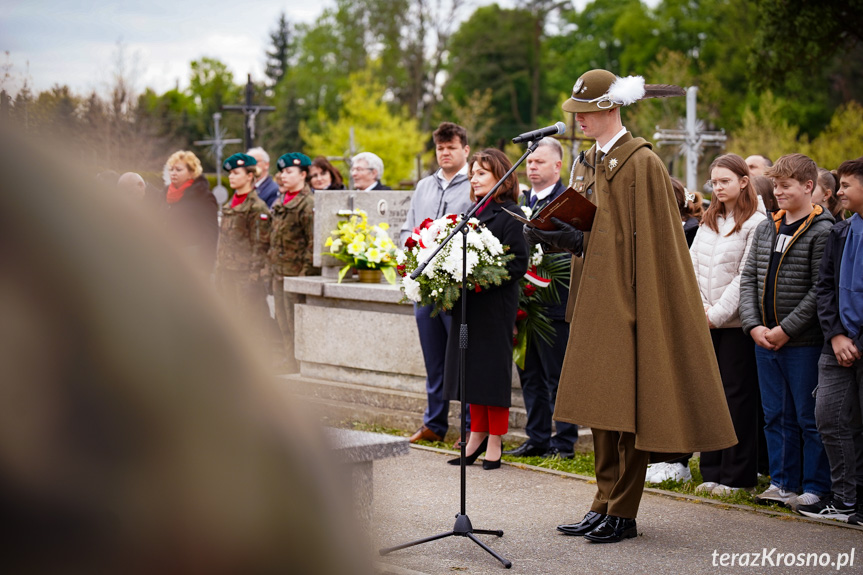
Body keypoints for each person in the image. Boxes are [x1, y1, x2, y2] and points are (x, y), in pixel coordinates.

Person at [525, 68, 736, 543]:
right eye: (574, 112)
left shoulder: (641, 163)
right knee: (601, 407)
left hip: (629, 301)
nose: (577, 120)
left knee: (628, 409)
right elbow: (599, 231)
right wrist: (566, 238)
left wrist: (591, 244)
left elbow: (654, 245)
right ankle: (602, 501)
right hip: (596, 297)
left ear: (608, 108)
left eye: (584, 111)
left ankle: (624, 509)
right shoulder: (590, 161)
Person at [739, 153, 833, 511]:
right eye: (775, 185)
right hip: (764, 340)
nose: (777, 192)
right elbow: (749, 278)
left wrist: (785, 330)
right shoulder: (767, 227)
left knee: (808, 418)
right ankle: (782, 483)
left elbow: (819, 290)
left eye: (785, 186)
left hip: (802, 344)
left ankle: (815, 486)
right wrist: (754, 326)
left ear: (809, 187)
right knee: (775, 415)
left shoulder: (823, 232)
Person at [442, 148, 529, 469]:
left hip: (494, 306)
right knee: (471, 373)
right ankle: (475, 434)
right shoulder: (471, 211)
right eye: (473, 174)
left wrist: (479, 280)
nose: (473, 178)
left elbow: (518, 263)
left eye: (481, 173)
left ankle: (495, 440)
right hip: (469, 306)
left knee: (491, 374)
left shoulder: (511, 213)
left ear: (501, 176)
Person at [689, 154, 767, 496]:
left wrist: (715, 314)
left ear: (744, 181)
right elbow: (691, 265)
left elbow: (745, 276)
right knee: (710, 396)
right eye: (714, 182)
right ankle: (712, 469)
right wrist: (698, 311)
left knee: (736, 398)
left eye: (725, 181)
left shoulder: (757, 223)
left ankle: (737, 477)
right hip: (703, 319)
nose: (718, 188)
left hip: (734, 324)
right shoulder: (709, 218)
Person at [503, 137, 578, 459]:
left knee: (557, 376)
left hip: (556, 302)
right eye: (529, 162)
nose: (532, 167)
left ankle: (564, 442)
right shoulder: (518, 202)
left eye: (539, 162)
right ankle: (537, 438)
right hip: (524, 305)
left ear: (557, 166)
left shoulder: (568, 202)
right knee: (529, 374)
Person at [400, 122, 473, 444]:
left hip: (456, 286)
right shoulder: (423, 186)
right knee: (434, 359)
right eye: (440, 149)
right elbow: (407, 228)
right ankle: (434, 423)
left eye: (451, 148)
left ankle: (470, 427)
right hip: (425, 287)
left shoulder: (475, 183)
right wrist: (410, 250)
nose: (444, 153)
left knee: (463, 357)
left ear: (465, 150)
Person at [807, 157, 863, 523]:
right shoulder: (841, 232)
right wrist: (838, 335)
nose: (838, 192)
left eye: (846, 186)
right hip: (837, 342)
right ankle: (845, 499)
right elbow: (824, 287)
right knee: (828, 416)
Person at [267, 152, 320, 373]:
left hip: (297, 274)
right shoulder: (281, 201)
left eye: (289, 172)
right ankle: (289, 359)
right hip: (279, 272)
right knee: (282, 322)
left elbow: (313, 241)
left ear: (303, 175)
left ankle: (299, 364)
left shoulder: (308, 203)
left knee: (296, 323)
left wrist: (304, 273)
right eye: (282, 172)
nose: (283, 176)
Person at [215, 153, 271, 336]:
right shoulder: (230, 205)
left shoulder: (257, 207)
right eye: (230, 173)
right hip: (226, 272)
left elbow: (260, 246)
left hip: (245, 276)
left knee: (249, 325)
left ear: (249, 176)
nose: (231, 176)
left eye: (236, 173)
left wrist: (254, 279)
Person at [162, 150, 219, 275]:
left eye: (178, 169)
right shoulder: (166, 195)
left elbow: (211, 233)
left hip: (193, 262)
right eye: (171, 169)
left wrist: (204, 267)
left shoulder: (203, 197)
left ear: (191, 173)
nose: (173, 173)